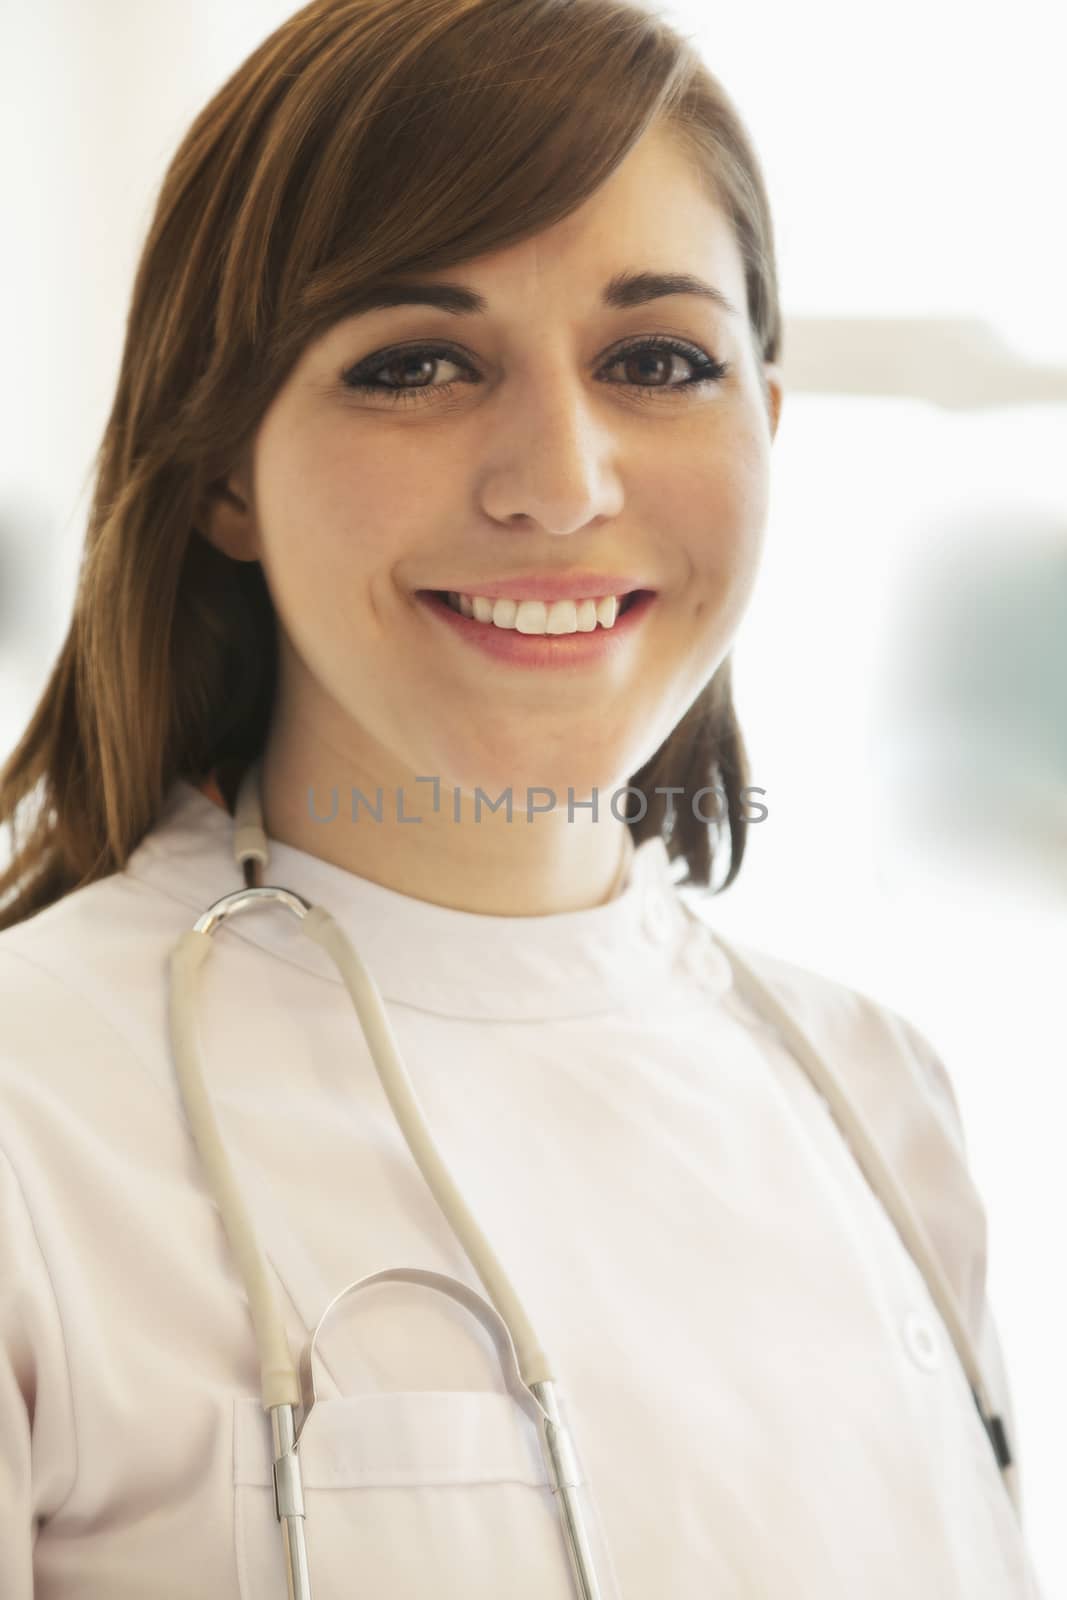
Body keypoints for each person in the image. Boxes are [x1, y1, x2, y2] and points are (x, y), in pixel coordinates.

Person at [0, 1, 1042, 1595]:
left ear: (766, 423)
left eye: (657, 361)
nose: (559, 480)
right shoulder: (34, 1117)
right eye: (414, 363)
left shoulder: (883, 1099)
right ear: (222, 473)